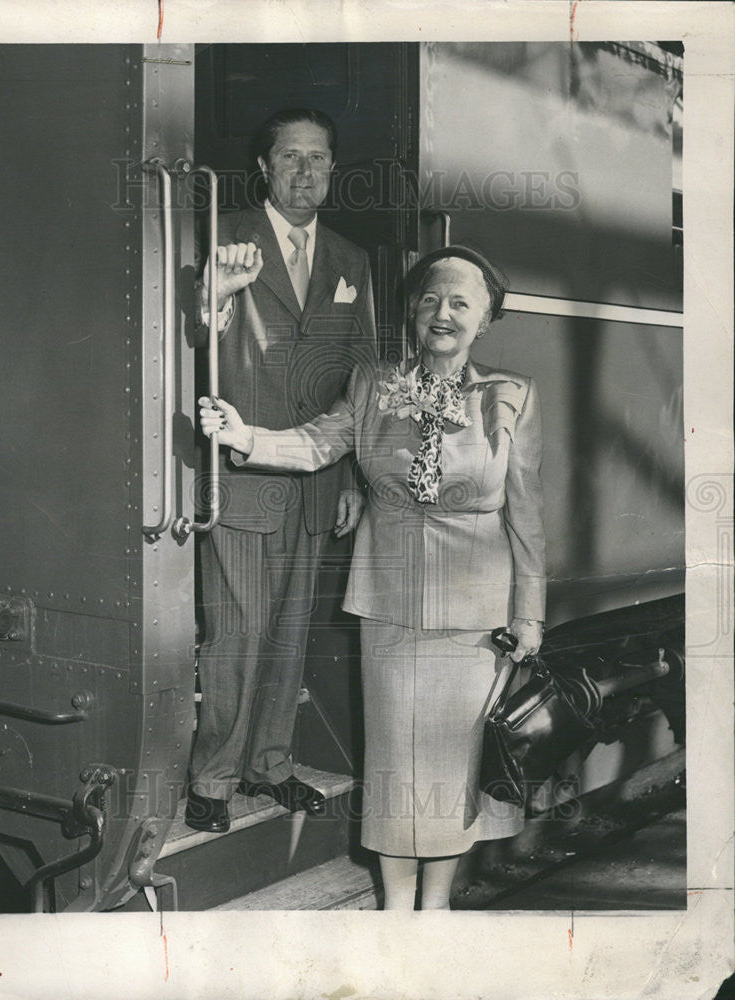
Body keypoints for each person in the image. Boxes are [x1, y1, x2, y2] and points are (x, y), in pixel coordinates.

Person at [198, 245, 546, 909]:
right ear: (412, 312)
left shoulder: (509, 397)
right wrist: (246, 437)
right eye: (428, 300)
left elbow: (528, 516)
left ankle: (435, 905)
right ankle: (394, 904)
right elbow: (315, 443)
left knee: (451, 769)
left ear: (485, 319)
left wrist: (528, 612)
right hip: (387, 604)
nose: (440, 313)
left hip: (475, 614)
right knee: (393, 764)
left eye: (459, 303)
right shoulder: (373, 385)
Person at [186, 108, 376, 833]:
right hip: (240, 471)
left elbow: (358, 379)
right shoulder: (223, 234)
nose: (305, 172)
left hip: (319, 479)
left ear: (332, 169)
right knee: (236, 635)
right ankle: (213, 777)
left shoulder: (350, 261)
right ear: (262, 166)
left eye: (318, 159)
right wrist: (216, 298)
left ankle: (269, 764)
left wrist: (354, 477)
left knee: (290, 632)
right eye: (290, 157)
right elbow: (194, 335)